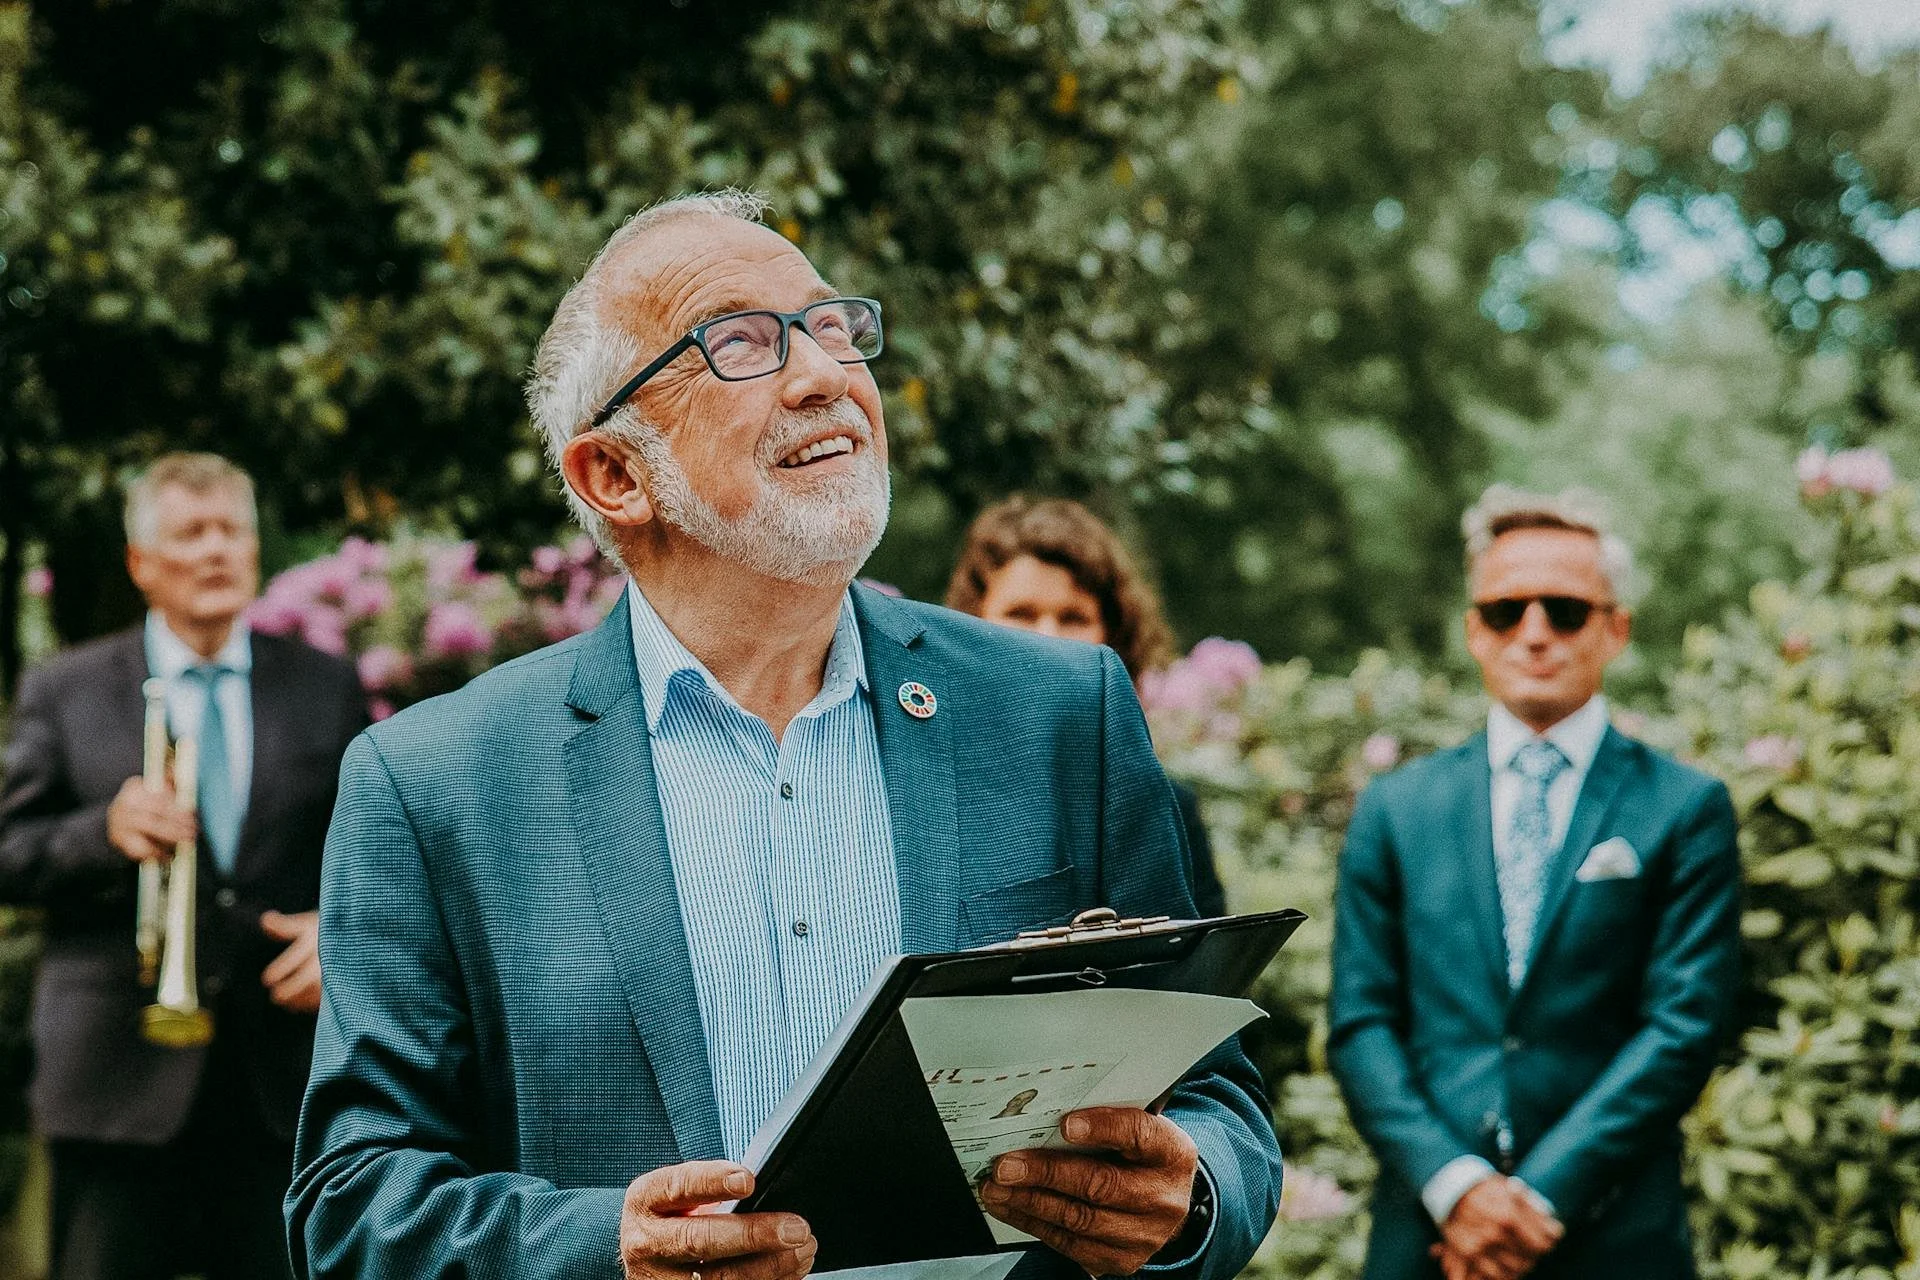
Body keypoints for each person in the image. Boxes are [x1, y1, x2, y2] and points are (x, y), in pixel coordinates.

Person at [287, 190, 1280, 1280]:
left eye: (833, 326)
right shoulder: (434, 783)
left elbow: (1216, 1097)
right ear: (614, 475)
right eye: (742, 344)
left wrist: (1188, 1198)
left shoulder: (1057, 712)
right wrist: (603, 1250)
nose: (823, 373)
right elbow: (353, 1201)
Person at [1327, 486, 1742, 1280]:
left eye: (1567, 610)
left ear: (1616, 629)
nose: (1535, 632)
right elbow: (1361, 1024)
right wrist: (1459, 1189)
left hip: (1615, 1238)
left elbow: (1683, 1027)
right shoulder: (1396, 809)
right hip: (1430, 1238)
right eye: (1505, 610)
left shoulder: (1686, 808)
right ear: (1473, 631)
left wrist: (1538, 1200)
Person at [0, 453, 369, 1280]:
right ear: (141, 563)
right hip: (114, 1078)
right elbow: (9, 853)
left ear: (255, 550)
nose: (215, 551)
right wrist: (101, 833)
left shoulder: (325, 685)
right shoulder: (66, 688)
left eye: (231, 531)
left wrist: (340, 935)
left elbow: (377, 855)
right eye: (190, 533)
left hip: (280, 1080)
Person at [944, 495, 1226, 917]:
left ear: (1114, 634)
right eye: (1020, 614)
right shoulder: (937, 794)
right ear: (971, 622)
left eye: (1073, 618)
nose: (1047, 638)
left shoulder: (1164, 807)